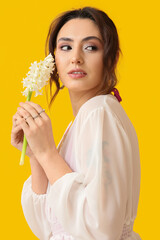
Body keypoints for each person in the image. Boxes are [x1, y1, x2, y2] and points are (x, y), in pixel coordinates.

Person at [11, 6, 142, 240]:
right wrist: (37, 156)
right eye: (66, 47)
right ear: (54, 62)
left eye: (90, 47)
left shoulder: (98, 112)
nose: (76, 58)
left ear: (110, 58)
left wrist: (48, 153)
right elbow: (48, 228)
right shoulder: (84, 120)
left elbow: (100, 229)